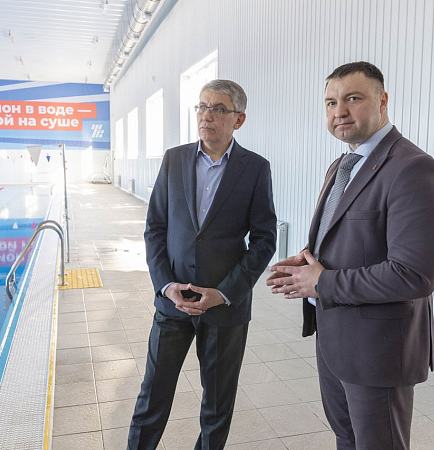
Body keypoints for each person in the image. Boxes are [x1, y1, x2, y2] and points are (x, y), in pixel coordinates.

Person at [266, 61, 434, 449]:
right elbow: (350, 238)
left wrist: (322, 282)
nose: (339, 111)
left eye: (353, 99)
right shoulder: (342, 165)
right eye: (331, 102)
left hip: (378, 351)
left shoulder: (414, 170)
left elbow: (413, 275)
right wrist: (308, 259)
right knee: (347, 439)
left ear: (382, 101)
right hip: (335, 340)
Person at [128, 79, 277, 449]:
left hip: (224, 307)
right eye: (202, 106)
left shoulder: (255, 168)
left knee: (217, 406)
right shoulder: (174, 159)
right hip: (173, 303)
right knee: (152, 397)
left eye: (218, 109)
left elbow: (264, 240)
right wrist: (166, 285)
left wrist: (225, 293)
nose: (206, 115)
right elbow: (155, 228)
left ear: (238, 119)